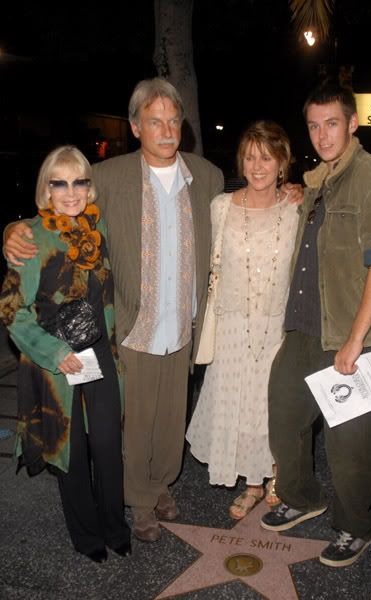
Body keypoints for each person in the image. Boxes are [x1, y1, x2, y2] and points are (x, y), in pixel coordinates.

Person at [4, 78, 224, 543]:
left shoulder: (206, 177)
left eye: (173, 120)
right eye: (154, 121)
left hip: (182, 321)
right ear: (135, 126)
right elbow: (57, 208)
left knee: (170, 418)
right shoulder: (109, 175)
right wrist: (11, 230)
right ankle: (139, 501)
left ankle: (161, 481)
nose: (166, 130)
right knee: (136, 419)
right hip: (131, 322)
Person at [260, 81, 371, 568]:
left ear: (352, 123)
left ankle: (356, 526)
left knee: (351, 444)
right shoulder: (316, 180)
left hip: (350, 333)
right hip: (303, 325)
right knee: (283, 416)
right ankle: (302, 497)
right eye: (314, 126)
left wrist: (356, 341)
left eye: (332, 124)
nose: (322, 134)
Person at [0, 146, 131, 563]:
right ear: (47, 188)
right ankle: (86, 533)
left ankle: (115, 525)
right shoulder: (32, 238)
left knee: (108, 445)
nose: (70, 192)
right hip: (59, 361)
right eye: (60, 183)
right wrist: (53, 353)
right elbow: (11, 311)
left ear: (89, 188)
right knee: (71, 450)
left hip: (99, 352)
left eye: (78, 182)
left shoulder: (98, 228)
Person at [186, 121, 299, 519]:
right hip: (232, 325)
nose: (257, 165)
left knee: (273, 404)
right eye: (250, 156)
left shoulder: (298, 208)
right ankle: (253, 485)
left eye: (266, 157)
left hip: (278, 324)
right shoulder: (221, 208)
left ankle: (277, 475)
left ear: (283, 163)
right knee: (240, 403)